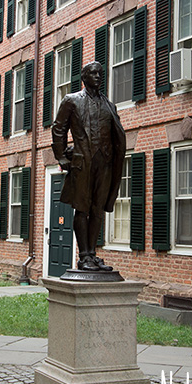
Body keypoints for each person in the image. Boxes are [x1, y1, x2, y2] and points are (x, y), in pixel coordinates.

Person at [51, 61, 126, 272]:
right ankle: (83, 255)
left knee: (97, 209)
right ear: (84, 77)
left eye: (100, 73)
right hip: (82, 163)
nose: (98, 77)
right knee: (82, 209)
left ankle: (92, 253)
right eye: (93, 73)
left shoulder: (109, 105)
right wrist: (62, 158)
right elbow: (58, 129)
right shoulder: (72, 101)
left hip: (104, 164)